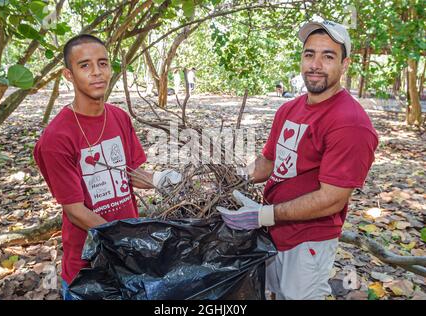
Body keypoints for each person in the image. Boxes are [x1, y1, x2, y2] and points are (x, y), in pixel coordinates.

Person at [217, 20, 378, 300]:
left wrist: (263, 215)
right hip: (272, 232)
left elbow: (332, 198)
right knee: (270, 292)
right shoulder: (288, 109)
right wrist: (234, 180)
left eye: (328, 56)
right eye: (309, 54)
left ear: (345, 64)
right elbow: (268, 162)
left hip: (309, 241)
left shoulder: (350, 123)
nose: (315, 64)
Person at [33, 34, 181, 300]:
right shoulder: (56, 137)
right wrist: (120, 239)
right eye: (85, 65)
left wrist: (160, 179)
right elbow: (76, 211)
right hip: (88, 267)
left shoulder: (119, 117)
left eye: (103, 63)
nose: (97, 72)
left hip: (126, 260)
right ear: (68, 74)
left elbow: (126, 173)